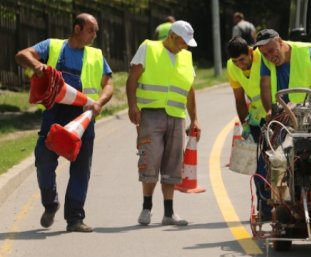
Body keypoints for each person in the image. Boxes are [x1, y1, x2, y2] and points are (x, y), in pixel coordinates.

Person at [15, 13, 113, 232]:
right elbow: (22, 55)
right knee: (44, 162)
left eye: (96, 31)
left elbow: (109, 85)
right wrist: (36, 66)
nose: (94, 35)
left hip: (83, 116)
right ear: (77, 28)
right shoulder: (53, 46)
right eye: (91, 30)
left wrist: (99, 103)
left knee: (81, 168)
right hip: (54, 114)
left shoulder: (96, 55)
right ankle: (51, 204)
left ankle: (75, 218)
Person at [126, 20, 200, 226]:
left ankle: (169, 213)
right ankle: (146, 208)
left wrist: (194, 118)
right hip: (150, 115)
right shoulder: (149, 47)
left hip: (176, 116)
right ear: (172, 37)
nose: (184, 46)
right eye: (182, 42)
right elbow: (132, 79)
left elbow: (190, 91)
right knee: (149, 161)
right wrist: (132, 106)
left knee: (172, 165)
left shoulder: (186, 56)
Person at [226, 36, 271, 220]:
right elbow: (239, 99)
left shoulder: (263, 56)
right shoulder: (232, 67)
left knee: (278, 163)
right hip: (256, 120)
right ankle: (265, 209)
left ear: (250, 52)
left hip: (275, 115)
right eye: (235, 61)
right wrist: (245, 123)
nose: (240, 65)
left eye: (242, 60)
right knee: (259, 166)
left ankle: (283, 205)